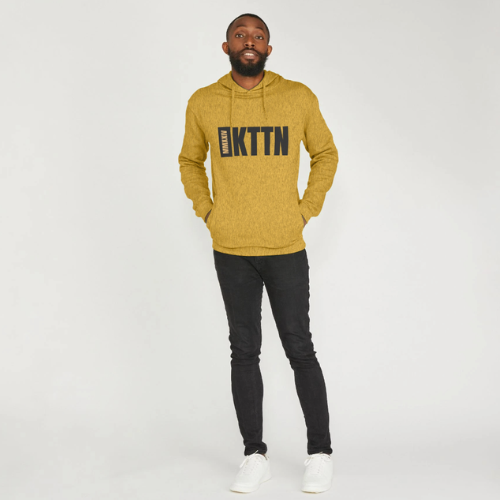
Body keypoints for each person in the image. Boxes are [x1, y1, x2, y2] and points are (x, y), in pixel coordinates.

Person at [179, 13, 339, 494]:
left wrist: (304, 210)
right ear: (226, 46)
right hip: (231, 249)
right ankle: (254, 455)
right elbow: (189, 160)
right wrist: (209, 212)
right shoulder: (204, 102)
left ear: (269, 48)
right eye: (240, 35)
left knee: (299, 347)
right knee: (244, 351)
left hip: (285, 246)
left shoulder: (297, 97)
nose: (249, 41)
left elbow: (325, 153)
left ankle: (320, 453)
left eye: (258, 36)